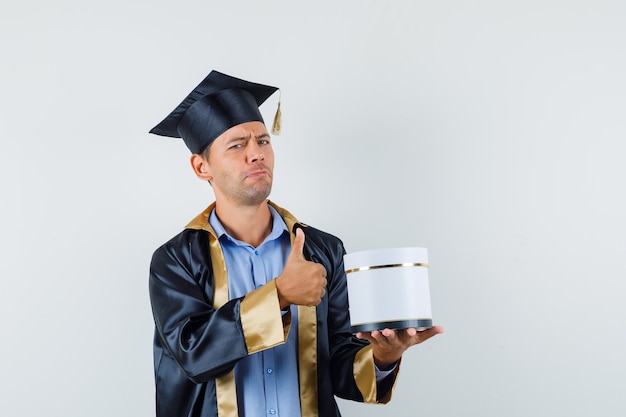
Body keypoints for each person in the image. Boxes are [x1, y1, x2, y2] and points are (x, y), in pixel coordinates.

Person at [148, 70, 444, 417]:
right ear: (202, 167)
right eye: (237, 145)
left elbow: (338, 364)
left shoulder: (323, 250)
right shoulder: (175, 260)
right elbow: (194, 356)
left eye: (263, 141)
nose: (256, 154)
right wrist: (279, 296)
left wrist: (384, 356)